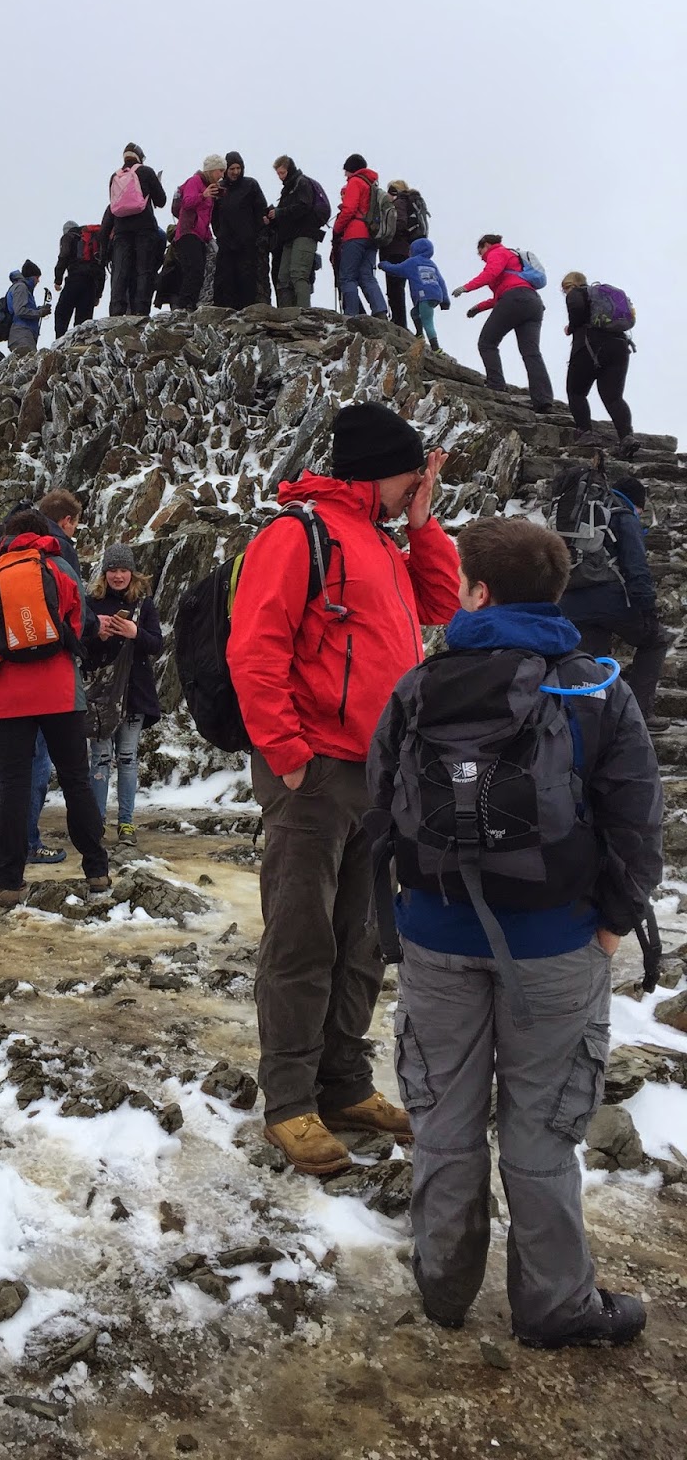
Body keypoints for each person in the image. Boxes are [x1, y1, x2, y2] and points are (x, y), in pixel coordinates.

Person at [368, 515, 660, 1349]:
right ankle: (554, 1306)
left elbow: (381, 804)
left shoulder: (420, 685)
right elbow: (637, 821)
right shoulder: (593, 684)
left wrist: (401, 918)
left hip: (433, 934)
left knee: (444, 1118)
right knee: (541, 1131)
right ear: (557, 592)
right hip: (556, 946)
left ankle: (444, 1284)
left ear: (479, 591)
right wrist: (610, 927)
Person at [226, 404, 461, 1176]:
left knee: (361, 939)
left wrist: (423, 523)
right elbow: (254, 646)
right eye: (411, 475)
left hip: (380, 773)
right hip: (315, 773)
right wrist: (288, 753)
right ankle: (290, 1100)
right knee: (301, 937)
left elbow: (445, 608)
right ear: (377, 468)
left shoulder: (386, 544)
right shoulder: (298, 534)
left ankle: (345, 1084)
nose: (416, 485)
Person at [0, 509, 110, 909]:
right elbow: (79, 626)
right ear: (43, 534)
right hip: (61, 693)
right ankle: (96, 870)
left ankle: (10, 882)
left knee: (14, 787)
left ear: (6, 536)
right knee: (77, 781)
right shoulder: (60, 567)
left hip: (7, 698)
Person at [557, 472, 669, 731]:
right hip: (609, 597)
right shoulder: (622, 515)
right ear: (635, 502)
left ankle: (584, 721)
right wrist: (647, 607)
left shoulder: (581, 513)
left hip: (571, 597)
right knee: (655, 640)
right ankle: (640, 715)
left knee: (588, 660)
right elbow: (636, 565)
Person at [84, 544, 163, 840]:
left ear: (132, 573)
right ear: (105, 573)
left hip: (134, 693)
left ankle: (127, 822)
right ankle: (97, 822)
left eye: (123, 570)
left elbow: (157, 644)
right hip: (102, 696)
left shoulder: (145, 605)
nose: (118, 576)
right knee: (101, 757)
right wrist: (98, 634)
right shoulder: (91, 603)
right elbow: (80, 647)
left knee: (127, 757)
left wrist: (135, 633)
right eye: (113, 570)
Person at [452, 237, 554, 413]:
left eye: (480, 250)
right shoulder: (513, 260)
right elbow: (501, 293)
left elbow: (491, 274)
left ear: (487, 245)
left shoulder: (497, 252)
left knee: (487, 343)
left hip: (515, 299)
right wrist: (478, 307)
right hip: (533, 303)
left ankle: (496, 385)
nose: (480, 255)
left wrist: (466, 287)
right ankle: (543, 400)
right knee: (531, 353)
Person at [561, 272, 637, 453]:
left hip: (590, 346)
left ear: (572, 284)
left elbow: (577, 310)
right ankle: (626, 437)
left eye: (565, 289)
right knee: (613, 397)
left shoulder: (576, 293)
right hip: (619, 347)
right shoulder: (603, 296)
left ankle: (586, 433)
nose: (565, 293)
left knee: (576, 392)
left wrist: (571, 327)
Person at [100, 143, 167, 317]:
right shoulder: (146, 172)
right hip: (145, 229)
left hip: (121, 231)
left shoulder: (114, 176)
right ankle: (140, 311)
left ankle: (116, 311)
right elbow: (161, 200)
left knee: (121, 272)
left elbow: (113, 207)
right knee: (143, 270)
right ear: (140, 157)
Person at [332, 154, 390, 318]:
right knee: (366, 275)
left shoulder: (355, 182)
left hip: (354, 234)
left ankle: (351, 315)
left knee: (347, 276)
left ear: (351, 169)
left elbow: (349, 209)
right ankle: (380, 311)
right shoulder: (372, 185)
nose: (345, 175)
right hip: (372, 235)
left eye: (346, 171)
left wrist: (337, 229)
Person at [268, 157, 328, 308]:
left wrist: (279, 213)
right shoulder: (289, 187)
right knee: (283, 278)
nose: (281, 177)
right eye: (278, 174)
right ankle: (287, 313)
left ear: (289, 170)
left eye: (282, 173)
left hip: (305, 234)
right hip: (290, 236)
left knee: (298, 274)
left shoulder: (301, 183)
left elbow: (303, 207)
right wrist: (273, 216)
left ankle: (303, 314)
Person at [212, 153, 269, 309]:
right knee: (225, 280)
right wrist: (219, 233)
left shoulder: (251, 185)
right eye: (232, 168)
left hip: (247, 242)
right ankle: (225, 314)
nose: (235, 172)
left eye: (238, 168)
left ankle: (245, 314)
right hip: (225, 242)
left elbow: (260, 210)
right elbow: (214, 214)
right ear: (226, 169)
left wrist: (256, 234)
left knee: (246, 279)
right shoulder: (219, 188)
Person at [173, 155, 226, 312]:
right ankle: (184, 306)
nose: (222, 175)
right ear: (211, 170)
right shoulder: (195, 181)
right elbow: (187, 202)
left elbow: (204, 218)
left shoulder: (208, 186)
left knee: (198, 270)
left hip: (199, 235)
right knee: (194, 269)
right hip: (187, 233)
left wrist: (209, 238)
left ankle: (190, 305)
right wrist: (203, 195)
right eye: (220, 171)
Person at [378, 239, 451, 351]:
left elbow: (396, 269)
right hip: (436, 296)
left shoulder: (412, 262)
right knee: (415, 313)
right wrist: (445, 300)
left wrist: (384, 264)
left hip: (424, 296)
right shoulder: (432, 264)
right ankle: (419, 334)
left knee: (427, 320)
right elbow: (441, 281)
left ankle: (435, 348)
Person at [379, 181, 431, 328]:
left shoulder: (400, 202)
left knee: (394, 289)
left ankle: (399, 322)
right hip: (406, 250)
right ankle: (402, 321)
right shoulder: (410, 202)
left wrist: (385, 234)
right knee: (399, 288)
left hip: (395, 249)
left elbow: (399, 223)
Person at [53, 220, 105, 337]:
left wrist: (58, 280)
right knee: (84, 320)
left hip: (74, 280)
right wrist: (98, 295)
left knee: (62, 312)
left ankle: (60, 342)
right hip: (91, 284)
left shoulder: (68, 237)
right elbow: (101, 270)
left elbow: (63, 256)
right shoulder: (92, 241)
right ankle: (80, 343)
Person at [6, 261, 51, 356]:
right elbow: (20, 311)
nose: (38, 281)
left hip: (22, 335)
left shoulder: (21, 287)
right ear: (31, 277)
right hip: (22, 335)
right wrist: (39, 312)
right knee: (31, 365)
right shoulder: (21, 287)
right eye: (37, 278)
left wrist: (40, 310)